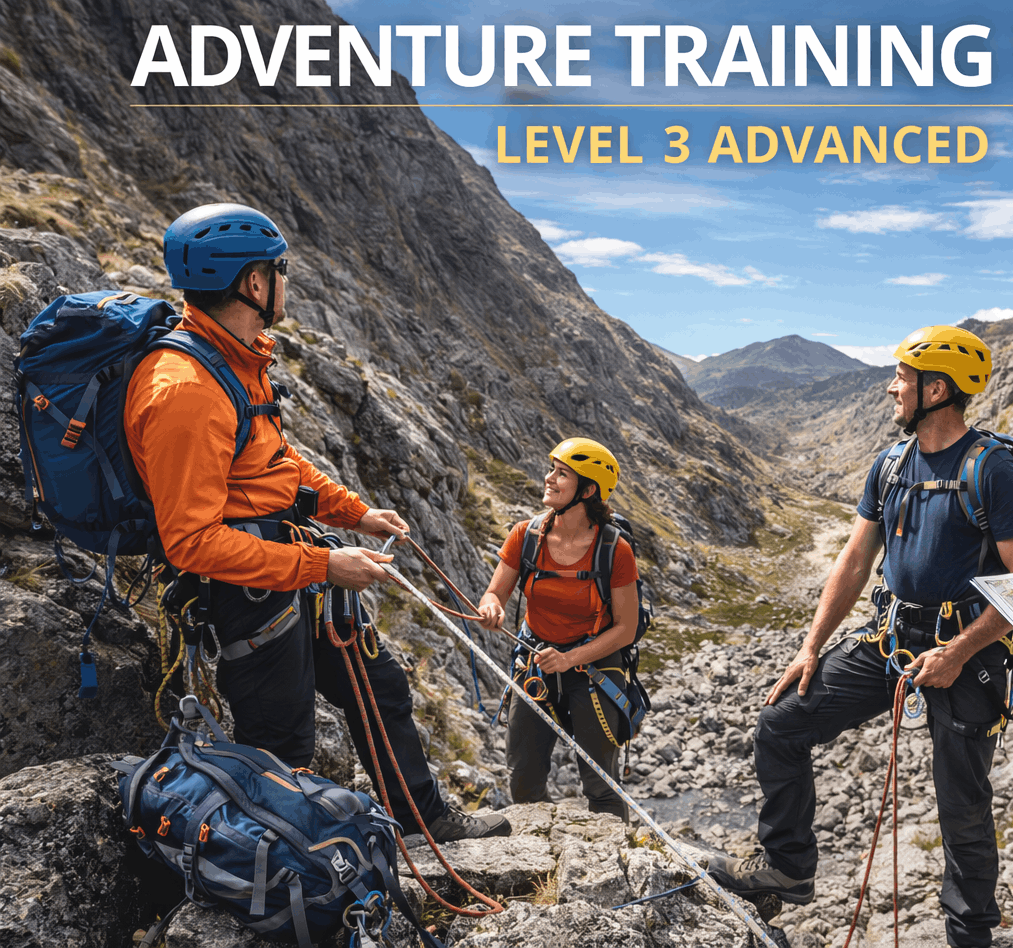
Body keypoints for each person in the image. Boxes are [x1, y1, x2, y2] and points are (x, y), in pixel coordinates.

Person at [126, 202, 509, 842]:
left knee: (377, 685)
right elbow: (191, 542)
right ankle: (285, 876)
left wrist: (354, 513)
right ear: (253, 283)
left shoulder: (232, 358)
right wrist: (326, 563)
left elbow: (276, 462)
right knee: (279, 736)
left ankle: (423, 821)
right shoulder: (185, 389)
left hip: (286, 566)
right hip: (248, 592)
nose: (287, 283)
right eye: (281, 271)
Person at [709, 325, 1013, 948]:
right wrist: (811, 646)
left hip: (965, 652)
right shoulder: (891, 464)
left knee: (961, 803)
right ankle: (786, 867)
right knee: (782, 723)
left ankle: (969, 935)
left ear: (937, 389)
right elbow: (854, 560)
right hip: (891, 638)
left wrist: (960, 651)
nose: (892, 387)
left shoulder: (993, 470)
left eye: (904, 378)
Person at [476, 437, 639, 821]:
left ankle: (613, 865)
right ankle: (541, 864)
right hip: (536, 663)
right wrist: (490, 606)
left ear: (587, 490)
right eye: (551, 469)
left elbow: (626, 628)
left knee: (602, 786)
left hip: (594, 667)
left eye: (561, 473)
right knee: (523, 780)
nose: (548, 478)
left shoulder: (614, 549)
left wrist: (570, 659)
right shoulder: (525, 536)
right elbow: (494, 592)